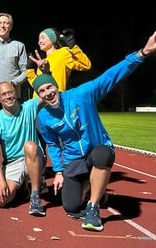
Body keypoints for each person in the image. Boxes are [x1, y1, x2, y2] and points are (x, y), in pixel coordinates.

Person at [33, 31, 156, 231]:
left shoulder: (81, 94)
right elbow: (54, 145)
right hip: (74, 160)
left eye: (49, 87)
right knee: (71, 207)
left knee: (102, 155)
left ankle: (93, 206)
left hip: (96, 150)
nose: (48, 93)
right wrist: (57, 171)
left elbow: (111, 76)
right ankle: (91, 185)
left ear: (56, 86)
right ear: (39, 95)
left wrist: (142, 53)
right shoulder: (44, 117)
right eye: (42, 91)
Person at [0, 81, 46, 216]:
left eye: (10, 92)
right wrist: (1, 181)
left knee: (30, 146)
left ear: (16, 93)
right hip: (13, 162)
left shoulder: (29, 106)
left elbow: (47, 93)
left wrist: (46, 73)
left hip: (33, 157)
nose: (8, 96)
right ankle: (23, 188)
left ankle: (35, 196)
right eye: (3, 94)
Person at [27, 27, 91, 97]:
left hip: (54, 100)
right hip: (38, 103)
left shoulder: (62, 53)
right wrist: (29, 69)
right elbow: (37, 84)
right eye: (39, 39)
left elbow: (86, 65)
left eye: (43, 38)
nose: (39, 41)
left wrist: (73, 47)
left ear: (53, 39)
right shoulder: (43, 62)